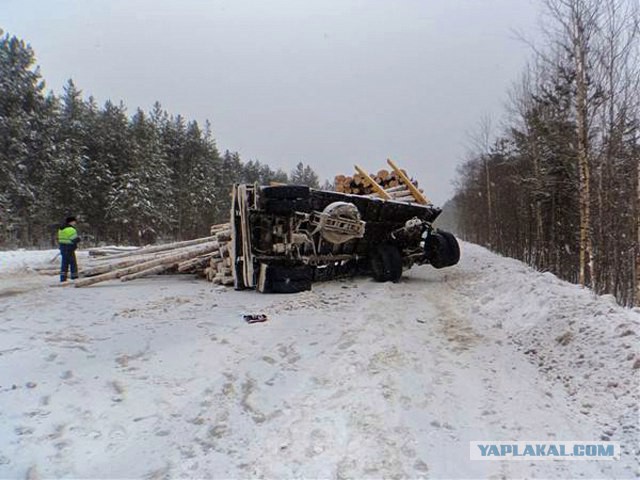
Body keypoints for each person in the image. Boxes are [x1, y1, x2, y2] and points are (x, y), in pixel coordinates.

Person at [58, 216, 80, 282]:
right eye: (74, 221)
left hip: (62, 247)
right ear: (71, 222)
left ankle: (63, 278)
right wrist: (79, 239)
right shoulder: (70, 229)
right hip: (69, 248)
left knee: (64, 264)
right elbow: (74, 239)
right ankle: (74, 277)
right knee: (73, 263)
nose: (75, 223)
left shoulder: (61, 229)